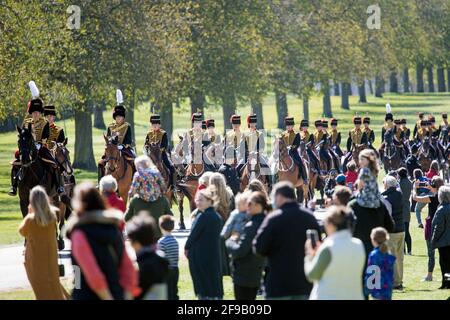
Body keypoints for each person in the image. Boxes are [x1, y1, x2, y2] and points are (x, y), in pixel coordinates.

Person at [65, 182, 137, 300]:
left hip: (87, 295)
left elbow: (89, 273)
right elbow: (128, 267)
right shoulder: (113, 229)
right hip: (116, 291)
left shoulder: (79, 234)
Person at [253, 181, 321, 299]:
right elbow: (318, 245)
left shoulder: (273, 219)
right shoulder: (309, 217)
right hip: (304, 285)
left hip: (279, 285)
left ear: (279, 196)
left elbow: (259, 248)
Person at [305, 205, 365, 300]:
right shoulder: (359, 244)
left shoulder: (328, 247)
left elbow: (312, 275)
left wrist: (309, 256)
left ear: (331, 224)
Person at [18, 186, 68, 300]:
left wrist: (30, 212)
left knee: (40, 288)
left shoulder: (30, 219)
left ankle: (58, 185)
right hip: (50, 254)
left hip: (35, 257)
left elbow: (22, 231)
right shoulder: (53, 215)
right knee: (53, 283)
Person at [226, 192, 269, 300]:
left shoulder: (252, 226)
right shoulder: (267, 221)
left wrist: (230, 241)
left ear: (259, 205)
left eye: (250, 203)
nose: (247, 206)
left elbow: (239, 251)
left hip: (245, 273)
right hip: (257, 272)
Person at [185, 187, 224, 300]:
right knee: (213, 281)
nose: (197, 202)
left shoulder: (203, 216)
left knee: (204, 286)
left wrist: (187, 247)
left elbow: (193, 235)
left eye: (201, 199)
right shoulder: (217, 216)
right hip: (212, 256)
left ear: (210, 200)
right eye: (197, 199)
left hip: (201, 256)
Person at [124, 155, 173, 238]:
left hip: (141, 236)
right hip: (158, 234)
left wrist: (130, 196)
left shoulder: (138, 175)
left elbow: (133, 190)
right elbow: (163, 187)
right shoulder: (156, 173)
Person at [126, 214, 169, 300]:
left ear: (136, 242)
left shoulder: (144, 265)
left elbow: (136, 293)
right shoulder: (159, 259)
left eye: (130, 240)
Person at [98, 89, 135, 181]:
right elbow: (108, 138)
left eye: (120, 117)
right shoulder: (110, 127)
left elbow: (128, 140)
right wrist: (111, 144)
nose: (119, 118)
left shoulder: (127, 126)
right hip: (112, 148)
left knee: (134, 161)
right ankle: (100, 182)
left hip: (124, 148)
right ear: (115, 117)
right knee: (101, 163)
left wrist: (122, 146)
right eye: (117, 117)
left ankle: (134, 180)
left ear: (123, 117)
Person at [413, 176, 445, 282]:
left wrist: (415, 187)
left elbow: (415, 198)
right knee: (444, 253)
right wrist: (430, 186)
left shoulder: (431, 198)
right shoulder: (445, 197)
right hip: (443, 226)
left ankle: (429, 275)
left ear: (433, 185)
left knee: (431, 253)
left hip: (431, 225)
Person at [381, 175, 405, 290]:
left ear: (386, 184)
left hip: (392, 231)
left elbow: (388, 216)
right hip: (402, 229)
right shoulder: (399, 194)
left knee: (393, 257)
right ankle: (399, 280)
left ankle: (396, 283)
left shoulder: (385, 197)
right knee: (400, 257)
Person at [145, 114, 176, 189]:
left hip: (161, 155)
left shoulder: (163, 133)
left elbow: (165, 145)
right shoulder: (149, 134)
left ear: (160, 125)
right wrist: (148, 148)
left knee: (171, 168)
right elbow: (146, 144)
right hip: (151, 156)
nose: (155, 126)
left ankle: (173, 186)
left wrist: (158, 150)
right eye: (153, 124)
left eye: (156, 124)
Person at [365, 227, 396, 300]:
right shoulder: (388, 254)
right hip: (388, 289)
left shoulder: (374, 255)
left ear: (373, 240)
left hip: (377, 291)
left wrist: (366, 290)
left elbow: (371, 275)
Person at [431, 185, 450, 289]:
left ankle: (446, 283)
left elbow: (438, 228)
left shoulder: (441, 209)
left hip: (444, 242)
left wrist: (433, 240)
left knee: (445, 264)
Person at [158, 215, 179, 300]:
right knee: (173, 289)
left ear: (161, 226)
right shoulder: (175, 240)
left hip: (165, 270)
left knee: (166, 291)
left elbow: (159, 258)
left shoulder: (161, 241)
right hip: (175, 268)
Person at [280, 116, 307, 181]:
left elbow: (297, 144)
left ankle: (304, 178)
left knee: (301, 163)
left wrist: (291, 148)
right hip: (284, 153)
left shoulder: (296, 134)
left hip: (293, 152)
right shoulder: (283, 134)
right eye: (287, 125)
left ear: (293, 126)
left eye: (290, 125)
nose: (289, 127)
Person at [397, 168, 413, 255]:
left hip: (400, 208)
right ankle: (409, 250)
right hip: (407, 207)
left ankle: (403, 251)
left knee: (402, 232)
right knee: (407, 230)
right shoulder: (409, 182)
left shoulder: (399, 183)